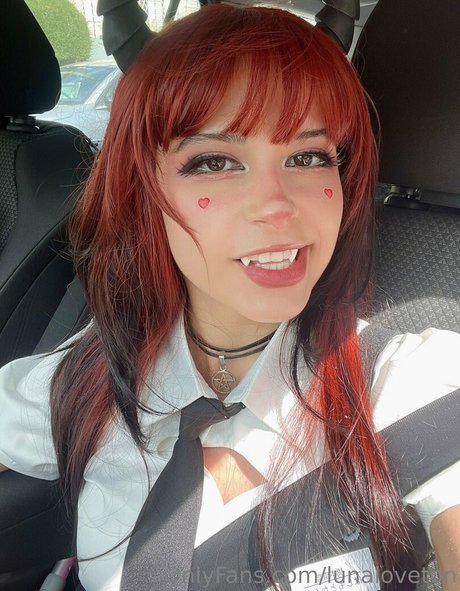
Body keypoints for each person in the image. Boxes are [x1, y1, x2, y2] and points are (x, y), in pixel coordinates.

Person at [0, 4, 459, 590]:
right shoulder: (89, 376)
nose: (277, 206)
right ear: (145, 191)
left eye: (309, 156)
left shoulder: (412, 385)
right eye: (214, 161)